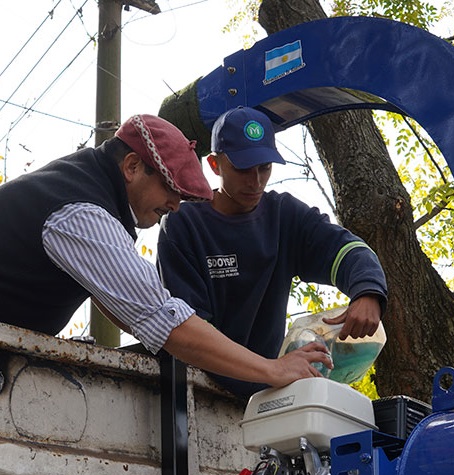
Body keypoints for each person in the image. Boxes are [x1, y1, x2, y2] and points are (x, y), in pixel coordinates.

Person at [0, 114, 331, 389]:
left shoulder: (83, 184)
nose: (175, 205)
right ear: (132, 167)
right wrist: (272, 370)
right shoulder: (81, 213)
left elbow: (122, 302)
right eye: (171, 188)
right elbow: (161, 317)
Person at [157, 106, 387, 398]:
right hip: (196, 392)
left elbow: (348, 249)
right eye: (242, 169)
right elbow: (190, 333)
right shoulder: (183, 225)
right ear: (215, 165)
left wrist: (368, 291)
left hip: (268, 390)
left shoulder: (285, 215)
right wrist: (270, 370)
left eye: (264, 167)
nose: (255, 182)